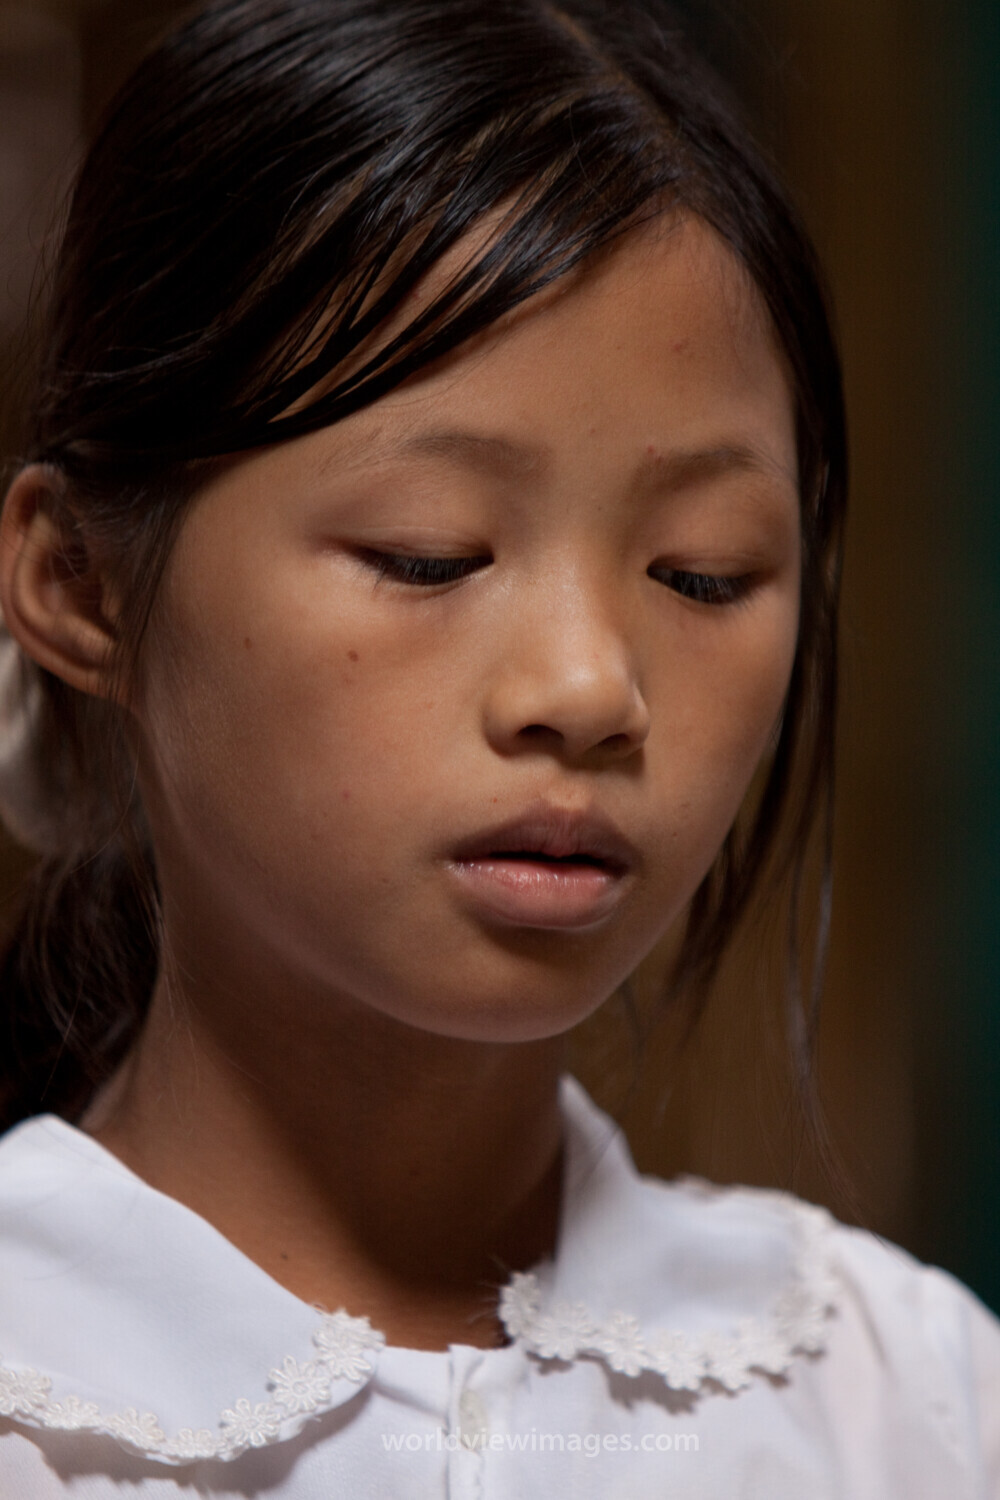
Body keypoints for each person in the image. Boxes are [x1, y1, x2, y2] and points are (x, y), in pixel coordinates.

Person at [0, 0, 995, 1494]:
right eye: (428, 553)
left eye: (705, 574)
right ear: (80, 586)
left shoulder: (898, 1400)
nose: (591, 689)